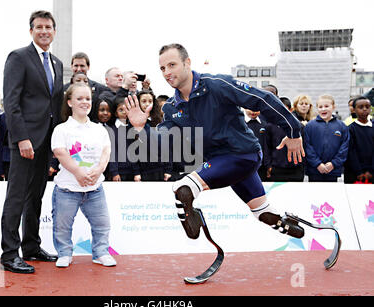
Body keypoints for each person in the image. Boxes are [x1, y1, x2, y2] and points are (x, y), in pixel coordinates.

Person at [125, 43, 306, 241]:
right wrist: (141, 128)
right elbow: (163, 142)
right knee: (262, 213)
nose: (167, 72)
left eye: (172, 65)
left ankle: (194, 225)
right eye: (162, 68)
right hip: (222, 164)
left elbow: (262, 98)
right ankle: (287, 222)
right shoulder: (170, 107)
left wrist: (293, 131)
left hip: (243, 155)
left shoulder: (216, 84)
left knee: (183, 187)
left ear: (187, 63)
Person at [0, 10, 64, 274]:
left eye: (48, 27)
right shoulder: (18, 57)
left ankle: (32, 246)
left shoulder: (58, 63)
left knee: (35, 196)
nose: (44, 31)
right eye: (39, 27)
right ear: (31, 31)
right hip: (25, 140)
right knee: (16, 196)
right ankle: (9, 254)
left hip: (47, 140)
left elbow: (55, 104)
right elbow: (11, 102)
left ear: (54, 31)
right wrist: (21, 138)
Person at [51, 82, 115, 268]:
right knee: (62, 226)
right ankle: (64, 253)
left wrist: (99, 169)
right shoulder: (61, 129)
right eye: (79, 98)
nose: (85, 102)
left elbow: (106, 151)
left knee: (102, 224)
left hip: (95, 189)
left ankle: (100, 252)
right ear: (70, 102)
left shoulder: (99, 129)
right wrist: (78, 172)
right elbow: (60, 152)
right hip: (67, 189)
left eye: (87, 98)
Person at [304, 95, 349, 182]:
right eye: (320, 107)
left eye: (326, 106)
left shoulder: (342, 126)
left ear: (333, 107)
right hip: (315, 170)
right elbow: (307, 146)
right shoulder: (310, 126)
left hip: (333, 170)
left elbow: (344, 147)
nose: (323, 109)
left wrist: (333, 163)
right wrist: (317, 164)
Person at [265, 93, 305, 182]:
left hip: (296, 169)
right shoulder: (270, 126)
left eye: (284, 109)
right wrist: (268, 166)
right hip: (277, 169)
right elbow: (267, 148)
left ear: (291, 110)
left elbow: (305, 147)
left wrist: (302, 166)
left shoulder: (299, 126)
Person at [108, 97, 141, 182]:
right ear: (115, 113)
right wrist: (115, 172)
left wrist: (136, 172)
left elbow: (134, 152)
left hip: (132, 172)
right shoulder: (112, 130)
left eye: (126, 109)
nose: (124, 112)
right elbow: (112, 153)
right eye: (121, 110)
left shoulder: (132, 129)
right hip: (119, 172)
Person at [344, 96, 374, 184]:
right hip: (354, 174)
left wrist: (371, 171)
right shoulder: (350, 129)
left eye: (367, 107)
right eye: (361, 107)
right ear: (353, 109)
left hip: (372, 173)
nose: (364, 109)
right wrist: (359, 172)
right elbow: (350, 152)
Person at [244, 109, 270, 181]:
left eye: (255, 109)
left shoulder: (264, 124)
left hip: (261, 166)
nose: (253, 112)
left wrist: (268, 165)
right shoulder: (240, 123)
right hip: (245, 164)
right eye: (250, 109)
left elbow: (267, 146)